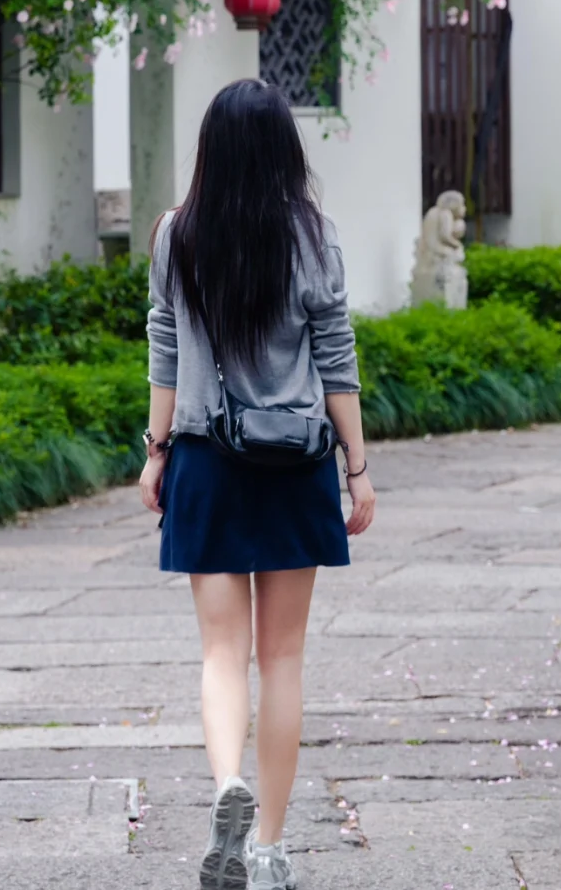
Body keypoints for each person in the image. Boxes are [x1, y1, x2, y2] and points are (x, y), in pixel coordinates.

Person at [138, 78, 375, 890]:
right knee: (283, 657)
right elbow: (336, 359)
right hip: (295, 465)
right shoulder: (313, 235)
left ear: (210, 147)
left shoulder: (177, 235)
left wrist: (156, 450)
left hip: (206, 461)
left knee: (219, 651)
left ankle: (226, 784)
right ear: (284, 148)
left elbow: (164, 350)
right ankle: (269, 846)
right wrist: (359, 467)